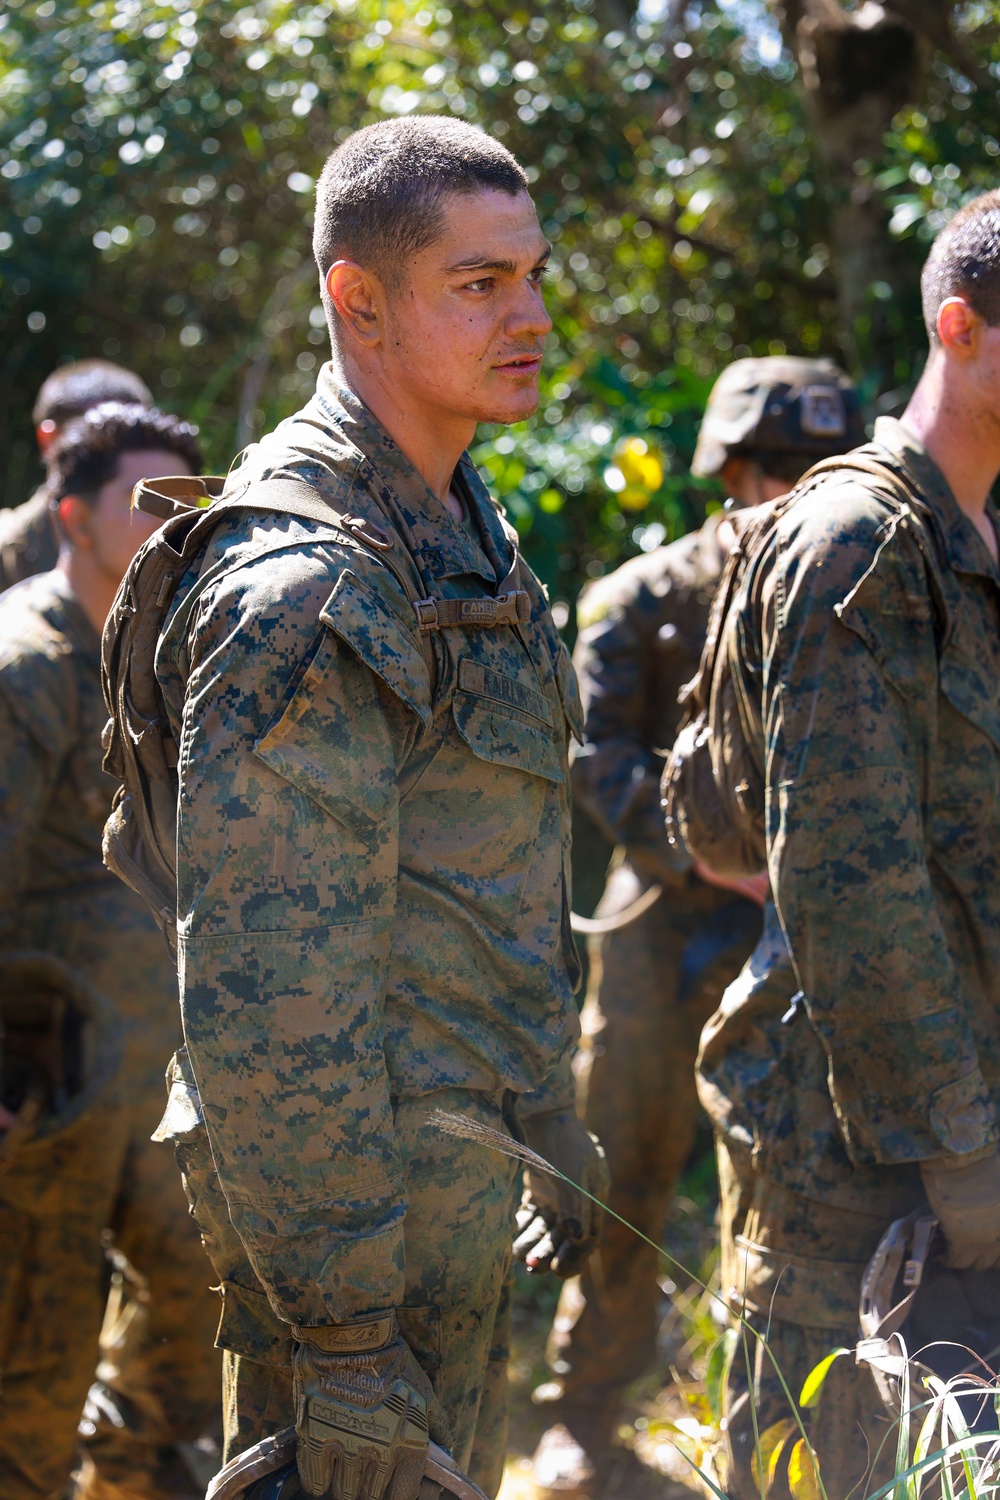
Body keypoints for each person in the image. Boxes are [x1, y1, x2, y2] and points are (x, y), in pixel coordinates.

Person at [145, 116, 604, 1500]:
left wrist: (550, 1109)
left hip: (457, 1225)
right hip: (352, 1273)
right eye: (480, 283)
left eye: (531, 275)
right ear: (358, 300)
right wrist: (342, 1342)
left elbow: (493, 869)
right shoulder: (304, 585)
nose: (527, 315)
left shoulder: (462, 528)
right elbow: (274, 995)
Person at [677, 189, 1000, 1499]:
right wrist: (963, 1157)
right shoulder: (857, 545)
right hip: (853, 1168)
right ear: (962, 328)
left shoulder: (979, 537)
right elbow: (847, 885)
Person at [530, 357, 864, 1496]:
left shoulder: (866, 600)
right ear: (721, 472)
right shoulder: (641, 597)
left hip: (818, 942)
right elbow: (595, 759)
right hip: (662, 935)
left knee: (808, 1197)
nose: (782, 489)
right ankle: (581, 1410)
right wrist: (718, 862)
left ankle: (782, 1431)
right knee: (619, 1172)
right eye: (764, 468)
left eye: (810, 470)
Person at [0, 403, 221, 1500]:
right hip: (41, 1094)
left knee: (199, 1321)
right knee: (22, 1389)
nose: (176, 530)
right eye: (149, 508)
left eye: (193, 507)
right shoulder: (21, 667)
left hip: (158, 1080)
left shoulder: (176, 662)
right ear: (75, 518)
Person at [0, 360, 153, 592]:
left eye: (139, 439)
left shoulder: (166, 539)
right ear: (48, 439)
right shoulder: (8, 551)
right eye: (100, 440)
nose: (124, 459)